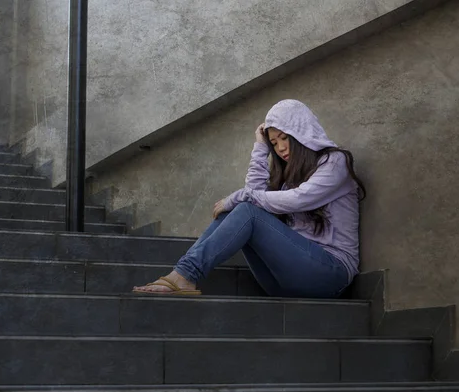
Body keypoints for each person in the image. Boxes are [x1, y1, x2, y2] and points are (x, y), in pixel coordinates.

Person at [132, 99, 365, 298]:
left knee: (244, 208)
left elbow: (297, 200)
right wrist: (260, 147)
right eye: (275, 143)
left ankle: (184, 274)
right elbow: (254, 196)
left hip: (331, 274)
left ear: (301, 132)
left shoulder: (335, 162)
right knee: (240, 209)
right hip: (284, 280)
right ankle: (181, 273)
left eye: (285, 138)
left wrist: (238, 197)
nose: (281, 148)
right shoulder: (288, 177)